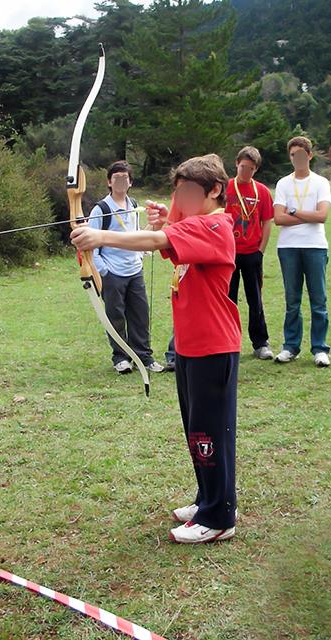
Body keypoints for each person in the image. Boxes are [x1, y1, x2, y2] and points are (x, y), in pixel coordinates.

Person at [71, 154, 240, 544]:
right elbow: (172, 238)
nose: (181, 199)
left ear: (215, 191)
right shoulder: (198, 223)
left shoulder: (216, 225)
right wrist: (169, 220)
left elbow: (155, 241)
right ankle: (208, 499)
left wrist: (100, 236)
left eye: (189, 192)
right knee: (198, 430)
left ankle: (219, 517)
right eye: (178, 192)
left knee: (211, 434)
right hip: (191, 347)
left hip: (213, 346)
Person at [88, 160, 164, 375]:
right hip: (112, 273)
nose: (121, 182)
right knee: (116, 316)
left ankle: (144, 357)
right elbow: (91, 244)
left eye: (125, 178)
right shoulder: (101, 209)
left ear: (130, 182)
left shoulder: (133, 205)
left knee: (140, 315)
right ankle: (121, 358)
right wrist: (104, 271)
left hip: (134, 270)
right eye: (116, 178)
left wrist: (141, 252)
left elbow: (137, 233)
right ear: (109, 182)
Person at [272, 136, 331, 367]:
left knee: (318, 300)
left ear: (309, 155)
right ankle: (291, 346)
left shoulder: (321, 183)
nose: (296, 158)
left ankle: (320, 348)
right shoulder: (283, 184)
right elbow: (278, 219)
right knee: (292, 300)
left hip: (315, 246)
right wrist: (308, 216)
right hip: (288, 247)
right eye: (292, 155)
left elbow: (322, 216)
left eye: (300, 154)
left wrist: (294, 211)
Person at [225, 146, 275, 359]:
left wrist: (260, 250)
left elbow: (267, 221)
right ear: (237, 164)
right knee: (228, 299)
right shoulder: (225, 188)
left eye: (251, 169)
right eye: (243, 167)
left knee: (255, 299)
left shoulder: (262, 191)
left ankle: (261, 342)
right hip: (228, 254)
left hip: (252, 253)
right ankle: (228, 342)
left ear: (256, 169)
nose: (246, 172)